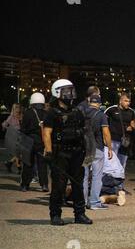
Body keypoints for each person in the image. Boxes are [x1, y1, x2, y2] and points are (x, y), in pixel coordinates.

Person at [42, 79, 92, 225]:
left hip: (77, 152)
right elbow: (46, 133)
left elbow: (85, 132)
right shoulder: (52, 113)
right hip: (60, 154)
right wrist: (50, 152)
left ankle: (80, 214)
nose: (71, 94)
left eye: (71, 90)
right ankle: (55, 215)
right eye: (67, 91)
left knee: (78, 184)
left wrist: (87, 151)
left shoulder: (77, 112)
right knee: (59, 185)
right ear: (57, 93)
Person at [82, 94, 113, 210]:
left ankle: (83, 201)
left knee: (84, 176)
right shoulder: (101, 115)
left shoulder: (82, 113)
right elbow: (106, 133)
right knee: (96, 176)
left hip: (84, 148)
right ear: (99, 104)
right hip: (97, 148)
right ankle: (94, 202)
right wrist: (109, 148)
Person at [20, 92, 48, 192]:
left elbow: (23, 129)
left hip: (29, 140)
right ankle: (44, 184)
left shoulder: (28, 113)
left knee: (28, 163)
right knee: (42, 164)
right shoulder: (46, 113)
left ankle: (25, 185)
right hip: (41, 141)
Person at [105, 93, 135, 171]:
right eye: (125, 101)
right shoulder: (111, 109)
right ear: (120, 101)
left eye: (129, 101)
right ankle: (110, 182)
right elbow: (103, 123)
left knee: (122, 163)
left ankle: (120, 182)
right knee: (111, 163)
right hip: (113, 140)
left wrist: (131, 127)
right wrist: (105, 138)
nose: (128, 103)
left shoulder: (131, 112)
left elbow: (133, 124)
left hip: (125, 141)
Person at [2, 103, 22, 173]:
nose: (18, 108)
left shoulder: (21, 115)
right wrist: (10, 129)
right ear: (13, 108)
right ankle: (19, 168)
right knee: (18, 152)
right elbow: (4, 125)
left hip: (21, 136)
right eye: (16, 107)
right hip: (14, 136)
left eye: (18, 107)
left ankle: (9, 163)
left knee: (20, 152)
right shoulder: (11, 117)